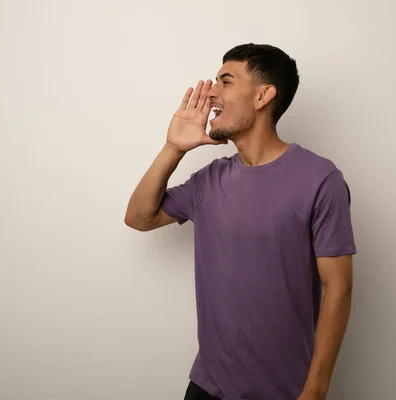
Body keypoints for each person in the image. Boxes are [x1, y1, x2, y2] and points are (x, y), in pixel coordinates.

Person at [125, 43, 356, 400]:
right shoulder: (209, 180)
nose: (212, 91)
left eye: (226, 81)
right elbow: (140, 217)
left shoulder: (319, 179)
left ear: (264, 95)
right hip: (206, 386)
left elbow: (338, 288)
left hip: (285, 390)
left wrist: (316, 388)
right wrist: (173, 148)